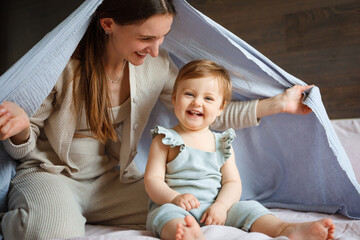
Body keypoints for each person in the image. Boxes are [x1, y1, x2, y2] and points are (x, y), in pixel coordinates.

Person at [0, 0, 320, 239]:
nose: (155, 50)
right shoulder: (64, 67)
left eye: (162, 38)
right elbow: (22, 151)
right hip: (51, 176)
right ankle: (19, 215)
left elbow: (205, 115)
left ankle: (285, 229)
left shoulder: (156, 67)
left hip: (112, 182)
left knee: (193, 202)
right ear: (108, 23)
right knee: (53, 233)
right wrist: (20, 129)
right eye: (145, 39)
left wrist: (278, 104)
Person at [144, 59, 336, 240]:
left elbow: (232, 182)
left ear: (220, 108)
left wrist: (221, 206)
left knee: (249, 207)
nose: (197, 102)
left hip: (214, 208)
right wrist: (175, 198)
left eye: (208, 98)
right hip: (176, 206)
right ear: (175, 98)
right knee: (164, 215)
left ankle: (285, 229)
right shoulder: (165, 139)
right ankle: (186, 233)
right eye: (189, 94)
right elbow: (153, 181)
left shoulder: (221, 142)